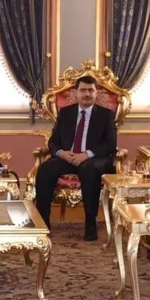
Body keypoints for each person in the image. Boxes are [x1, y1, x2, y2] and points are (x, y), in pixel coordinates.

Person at [34, 75, 118, 240]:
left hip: (95, 158)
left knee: (88, 168)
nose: (87, 94)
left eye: (90, 90)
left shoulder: (106, 115)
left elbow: (110, 144)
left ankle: (90, 225)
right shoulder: (66, 113)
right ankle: (43, 224)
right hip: (69, 157)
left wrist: (86, 154)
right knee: (45, 169)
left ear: (96, 93)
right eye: (83, 90)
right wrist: (62, 153)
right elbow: (53, 142)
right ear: (76, 93)